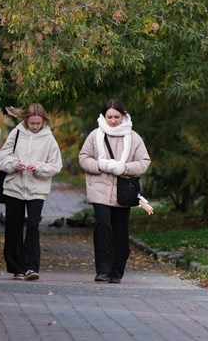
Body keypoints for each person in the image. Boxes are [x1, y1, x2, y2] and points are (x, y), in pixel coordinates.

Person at [79, 99, 151, 283]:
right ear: (103, 116)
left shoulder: (133, 137)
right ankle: (102, 270)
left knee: (120, 232)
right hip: (99, 189)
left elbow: (144, 162)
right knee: (103, 226)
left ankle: (116, 272)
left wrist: (124, 168)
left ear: (123, 116)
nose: (112, 120)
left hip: (122, 192)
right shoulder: (95, 135)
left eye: (116, 117)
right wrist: (100, 165)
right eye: (109, 117)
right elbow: (83, 158)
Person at [0, 103, 62, 281]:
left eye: (38, 123)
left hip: (36, 189)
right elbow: (3, 157)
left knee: (33, 226)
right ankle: (16, 268)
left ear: (43, 121)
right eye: (32, 123)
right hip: (14, 187)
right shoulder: (16, 133)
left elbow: (56, 165)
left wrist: (38, 168)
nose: (34, 126)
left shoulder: (49, 139)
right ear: (25, 120)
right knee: (13, 227)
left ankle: (31, 267)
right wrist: (13, 164)